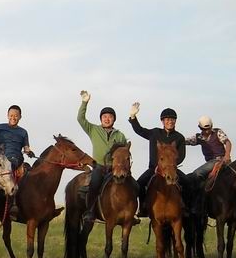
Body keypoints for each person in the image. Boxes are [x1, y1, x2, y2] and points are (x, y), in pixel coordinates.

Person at [76, 91, 129, 226]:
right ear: (101, 119)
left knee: (132, 185)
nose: (107, 119)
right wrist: (84, 102)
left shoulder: (120, 135)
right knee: (94, 184)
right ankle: (90, 211)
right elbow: (80, 119)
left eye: (110, 117)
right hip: (99, 167)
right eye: (104, 116)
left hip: (115, 168)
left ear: (113, 119)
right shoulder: (93, 129)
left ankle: (130, 213)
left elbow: (124, 153)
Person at [128, 104, 186, 216]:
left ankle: (186, 208)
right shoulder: (155, 133)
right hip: (153, 169)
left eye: (173, 119)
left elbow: (182, 155)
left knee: (188, 183)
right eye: (168, 119)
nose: (170, 122)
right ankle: (143, 207)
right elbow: (139, 130)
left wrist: (171, 166)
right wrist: (133, 117)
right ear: (162, 121)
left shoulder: (179, 137)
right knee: (139, 184)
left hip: (172, 170)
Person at [0, 105, 35, 174]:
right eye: (11, 115)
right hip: (0, 158)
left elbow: (26, 148)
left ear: (20, 117)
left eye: (16, 116)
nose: (13, 118)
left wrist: (30, 152)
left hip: (15, 159)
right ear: (7, 116)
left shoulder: (23, 132)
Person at [185, 116, 232, 183]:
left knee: (197, 174)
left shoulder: (218, 132)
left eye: (209, 128)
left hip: (221, 160)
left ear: (211, 126)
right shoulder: (199, 137)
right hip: (210, 162)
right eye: (204, 129)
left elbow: (227, 142)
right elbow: (185, 141)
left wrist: (227, 155)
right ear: (200, 128)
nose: (207, 131)